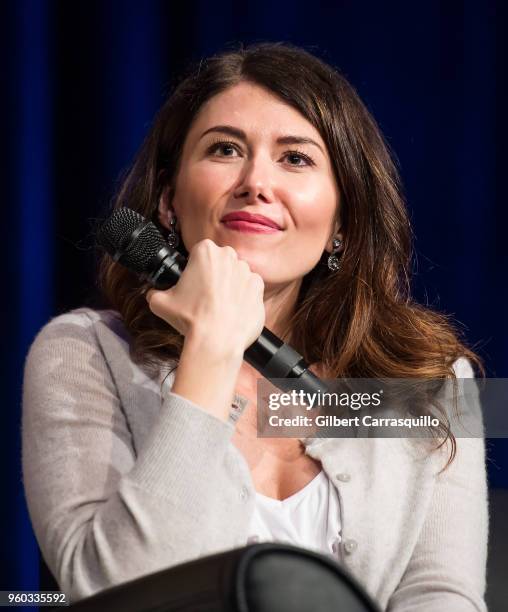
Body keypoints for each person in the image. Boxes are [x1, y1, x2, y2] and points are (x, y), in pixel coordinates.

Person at [22, 42, 488, 609]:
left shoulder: (434, 380)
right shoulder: (83, 352)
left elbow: (440, 594)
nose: (255, 182)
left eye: (295, 158)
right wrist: (212, 352)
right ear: (169, 201)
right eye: (224, 149)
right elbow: (112, 592)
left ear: (342, 219)